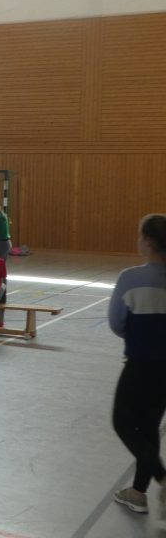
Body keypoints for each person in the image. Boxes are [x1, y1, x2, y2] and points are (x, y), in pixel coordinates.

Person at [108, 214, 166, 516]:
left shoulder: (130, 278)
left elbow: (117, 323)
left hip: (140, 364)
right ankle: (137, 493)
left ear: (148, 241)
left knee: (122, 422)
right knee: (148, 426)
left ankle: (162, 477)